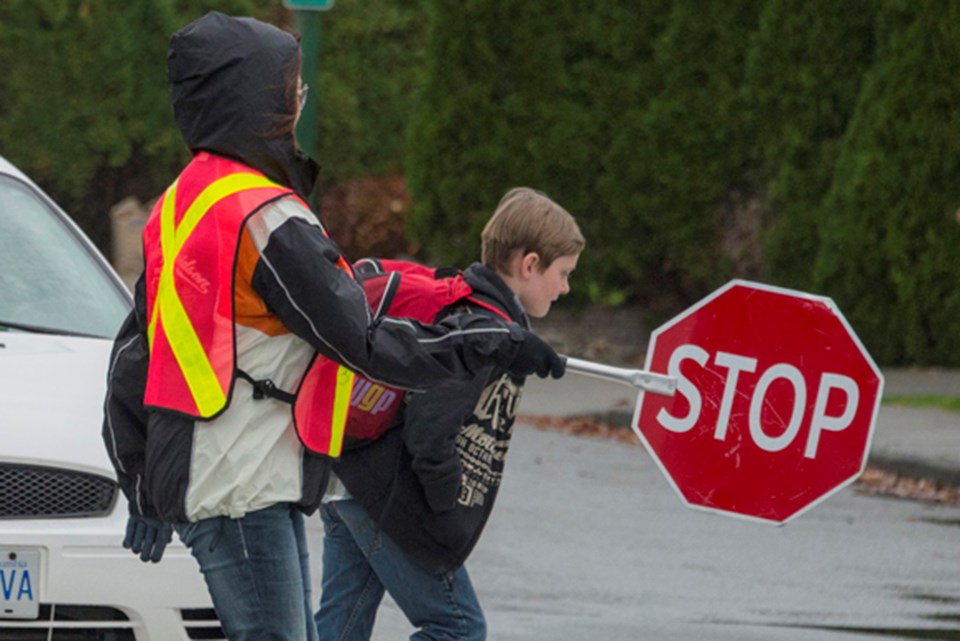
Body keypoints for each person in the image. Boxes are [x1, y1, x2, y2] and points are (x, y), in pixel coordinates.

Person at [100, 13, 564, 641]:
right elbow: (363, 341)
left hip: (221, 477)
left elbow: (133, 356)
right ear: (257, 99)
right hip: (246, 480)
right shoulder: (264, 215)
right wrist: (488, 340)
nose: (299, 100)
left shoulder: (183, 202)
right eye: (293, 87)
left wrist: (141, 479)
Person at [314, 187, 585, 641]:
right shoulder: (483, 331)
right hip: (388, 499)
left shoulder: (463, 303)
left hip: (349, 481)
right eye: (563, 273)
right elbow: (429, 430)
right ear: (530, 264)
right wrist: (444, 506)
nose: (565, 288)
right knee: (458, 628)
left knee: (340, 628)